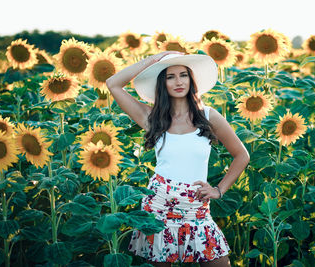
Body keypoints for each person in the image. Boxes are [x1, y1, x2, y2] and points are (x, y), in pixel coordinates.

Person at [106, 51, 250, 266]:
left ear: (191, 80)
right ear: (161, 83)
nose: (178, 81)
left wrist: (219, 190)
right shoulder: (151, 118)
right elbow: (113, 84)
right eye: (170, 77)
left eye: (183, 75)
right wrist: (153, 60)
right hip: (159, 205)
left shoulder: (209, 116)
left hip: (196, 206)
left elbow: (242, 155)